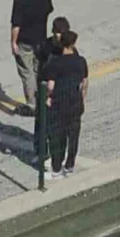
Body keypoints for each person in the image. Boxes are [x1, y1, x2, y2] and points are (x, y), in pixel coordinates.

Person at [43, 30, 87, 179]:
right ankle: (70, 165)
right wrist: (81, 98)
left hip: (59, 105)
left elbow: (50, 86)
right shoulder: (81, 61)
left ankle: (57, 168)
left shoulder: (55, 63)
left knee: (57, 137)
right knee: (73, 136)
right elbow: (84, 83)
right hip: (75, 104)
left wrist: (48, 97)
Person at [10, 0, 53, 114]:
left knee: (27, 72)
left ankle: (32, 104)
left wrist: (13, 42)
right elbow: (49, 9)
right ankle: (41, 98)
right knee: (38, 70)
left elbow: (16, 23)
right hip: (40, 38)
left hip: (25, 42)